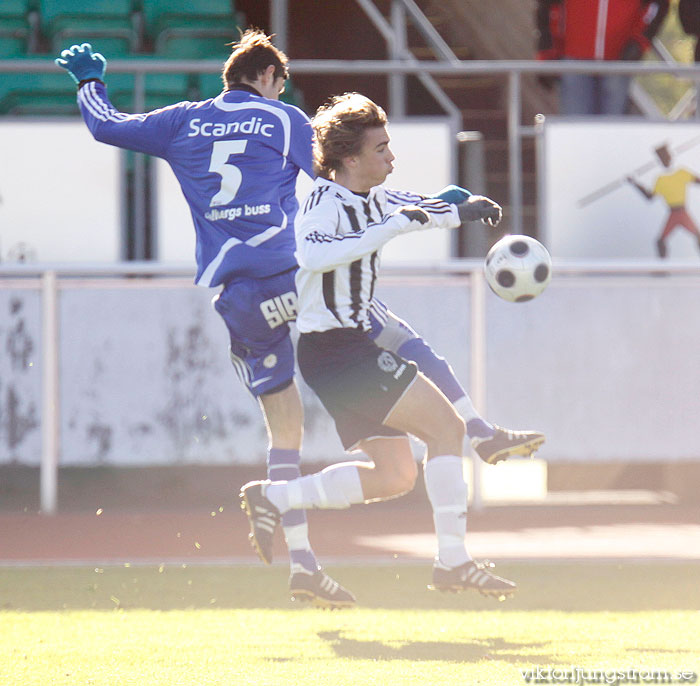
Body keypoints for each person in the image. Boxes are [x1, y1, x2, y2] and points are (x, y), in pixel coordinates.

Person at [56, 33, 543, 608]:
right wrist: (428, 207)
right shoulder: (283, 120)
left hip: (240, 297)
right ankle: (477, 433)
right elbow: (343, 176)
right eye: (280, 83)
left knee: (287, 431)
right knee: (386, 329)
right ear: (269, 78)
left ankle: (303, 563)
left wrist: (90, 81)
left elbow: (106, 125)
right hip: (292, 277)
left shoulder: (181, 121)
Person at [240, 93, 546, 600]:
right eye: (381, 148)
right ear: (350, 159)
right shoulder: (322, 203)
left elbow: (417, 208)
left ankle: (274, 496)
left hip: (339, 353)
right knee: (447, 428)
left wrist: (461, 211)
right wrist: (394, 226)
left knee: (395, 475)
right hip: (339, 351)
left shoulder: (373, 198)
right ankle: (453, 562)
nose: (390, 157)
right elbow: (312, 256)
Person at [535, 0, 669, 115]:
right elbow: (547, 8)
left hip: (618, 61)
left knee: (612, 128)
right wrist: (547, 54)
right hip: (574, 59)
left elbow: (657, 5)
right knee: (575, 128)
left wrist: (638, 42)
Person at [627, 143, 700, 257]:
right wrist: (634, 183)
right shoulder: (660, 180)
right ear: (660, 162)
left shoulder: (682, 172)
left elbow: (698, 181)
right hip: (673, 214)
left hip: (682, 212)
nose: (666, 161)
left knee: (698, 237)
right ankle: (662, 269)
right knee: (660, 241)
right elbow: (649, 197)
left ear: (670, 157)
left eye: (667, 157)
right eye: (663, 159)